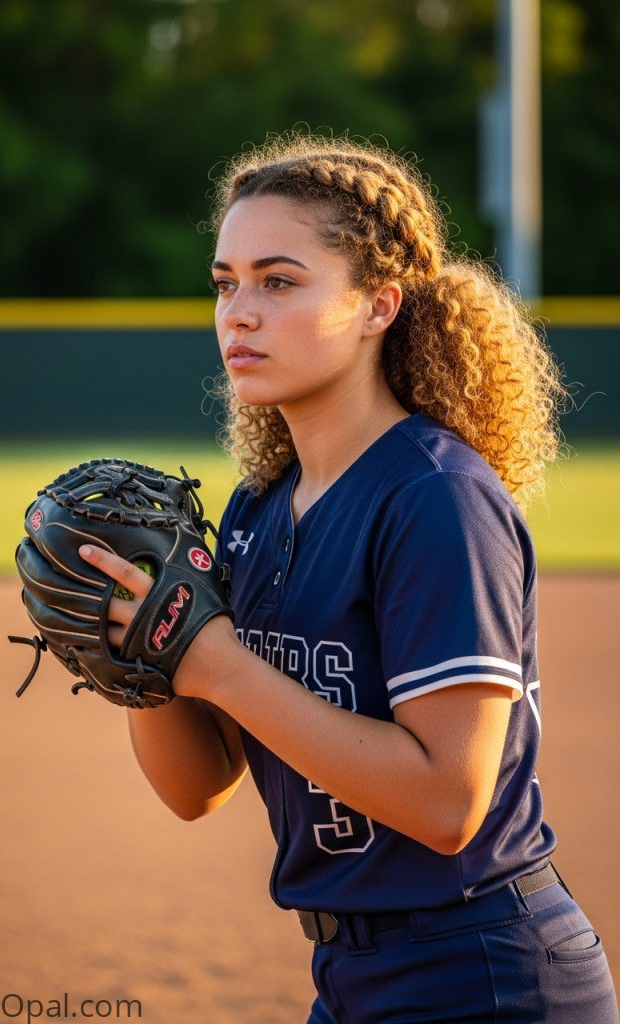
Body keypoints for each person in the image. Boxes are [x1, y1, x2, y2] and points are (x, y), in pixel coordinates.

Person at [79, 133, 618, 1023]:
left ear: (378, 306)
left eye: (278, 282)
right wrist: (143, 663)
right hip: (350, 976)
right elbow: (197, 789)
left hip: (484, 974)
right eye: (224, 283)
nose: (237, 313)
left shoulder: (433, 496)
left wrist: (217, 666)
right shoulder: (258, 508)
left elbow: (446, 803)